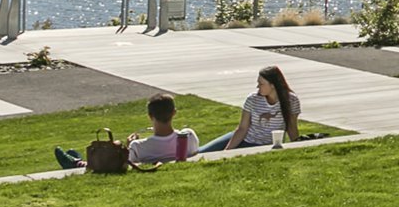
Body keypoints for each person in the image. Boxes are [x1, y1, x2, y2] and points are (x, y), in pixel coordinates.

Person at [53, 92, 197, 170]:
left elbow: (125, 164)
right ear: (174, 113)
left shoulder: (139, 146)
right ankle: (78, 160)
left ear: (150, 116)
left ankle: (77, 163)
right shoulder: (188, 136)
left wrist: (129, 146)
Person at [198, 64, 301, 153]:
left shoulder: (291, 100)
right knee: (200, 152)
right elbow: (242, 128)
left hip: (261, 144)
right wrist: (227, 151)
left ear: (273, 85)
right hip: (244, 137)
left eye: (261, 84)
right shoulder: (253, 99)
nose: (257, 87)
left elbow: (291, 127)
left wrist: (297, 147)